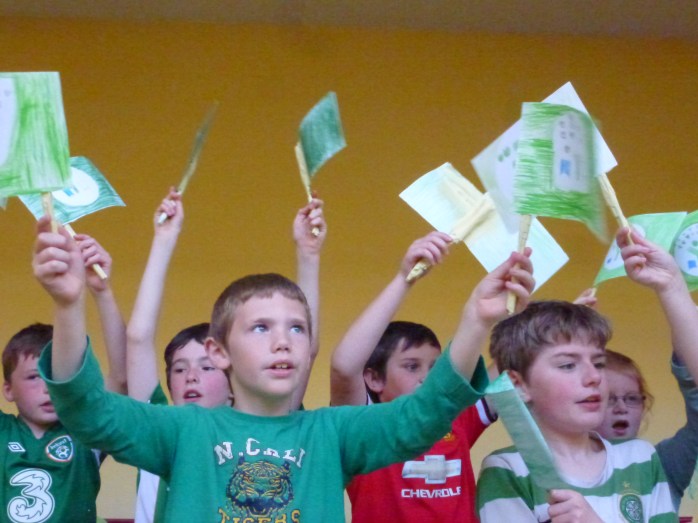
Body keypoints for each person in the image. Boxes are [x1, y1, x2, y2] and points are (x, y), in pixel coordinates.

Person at [32, 214, 533, 521]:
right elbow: (87, 411)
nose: (283, 342)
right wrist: (69, 305)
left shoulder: (333, 433)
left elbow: (425, 415)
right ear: (219, 352)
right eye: (260, 328)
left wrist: (475, 320)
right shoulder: (183, 430)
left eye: (296, 328)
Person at [126, 189, 327, 521]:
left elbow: (307, 346)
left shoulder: (266, 423)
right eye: (179, 369)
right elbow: (137, 339)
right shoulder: (158, 426)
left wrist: (309, 257)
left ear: (229, 367)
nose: (191, 377)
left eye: (205, 367)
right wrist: (163, 241)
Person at [330, 231, 496, 522]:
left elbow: (512, 363)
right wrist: (404, 278)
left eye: (435, 368)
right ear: (374, 379)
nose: (428, 378)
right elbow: (345, 370)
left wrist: (547, 327)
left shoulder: (457, 419)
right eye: (411, 366)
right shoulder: (363, 428)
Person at [476, 296, 676, 522]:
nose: (593, 377)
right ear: (518, 384)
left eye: (598, 363)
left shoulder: (639, 458)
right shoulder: (507, 470)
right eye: (568, 365)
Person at [1, 236, 125, 522]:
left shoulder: (84, 433)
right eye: (33, 377)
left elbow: (121, 377)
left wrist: (102, 292)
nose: (47, 388)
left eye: (54, 377)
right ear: (8, 389)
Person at [595, 227, 698, 511]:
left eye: (631, 398)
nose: (621, 408)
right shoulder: (540, 465)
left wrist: (671, 288)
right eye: (607, 399)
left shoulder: (663, 463)